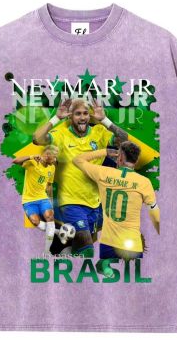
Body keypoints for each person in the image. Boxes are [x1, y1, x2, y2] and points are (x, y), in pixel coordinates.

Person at [33, 98, 128, 257]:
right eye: (78, 114)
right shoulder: (61, 135)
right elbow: (37, 138)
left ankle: (62, 253)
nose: (82, 117)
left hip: (94, 203)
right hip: (71, 202)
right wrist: (56, 118)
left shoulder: (99, 132)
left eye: (85, 113)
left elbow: (124, 139)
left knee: (83, 247)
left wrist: (104, 120)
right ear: (70, 116)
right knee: (87, 249)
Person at [73, 141, 160, 277]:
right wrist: (160, 233)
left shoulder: (103, 173)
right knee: (134, 277)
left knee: (108, 269)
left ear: (119, 158)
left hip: (108, 243)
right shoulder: (144, 183)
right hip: (132, 245)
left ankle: (104, 265)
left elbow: (77, 160)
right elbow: (155, 214)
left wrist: (105, 152)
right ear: (136, 161)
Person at [12, 145, 58, 254]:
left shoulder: (52, 168)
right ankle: (56, 231)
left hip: (42, 198)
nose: (55, 159)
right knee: (35, 221)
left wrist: (51, 200)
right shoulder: (33, 162)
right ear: (47, 155)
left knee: (49, 217)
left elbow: (49, 185)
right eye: (53, 157)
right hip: (28, 200)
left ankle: (47, 251)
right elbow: (15, 161)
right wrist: (31, 156)